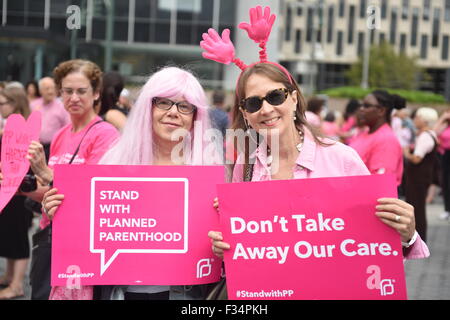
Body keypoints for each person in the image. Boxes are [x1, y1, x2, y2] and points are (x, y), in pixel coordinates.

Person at [207, 64, 428, 262]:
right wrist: (225, 244)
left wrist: (407, 235)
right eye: (254, 103)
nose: (266, 109)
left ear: (293, 99)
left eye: (275, 97)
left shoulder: (342, 158)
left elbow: (377, 244)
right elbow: (242, 242)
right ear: (245, 114)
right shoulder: (246, 165)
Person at [40, 66, 221, 300]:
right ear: (148, 107)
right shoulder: (115, 160)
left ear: (195, 116)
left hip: (183, 293)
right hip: (121, 292)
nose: (174, 112)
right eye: (164, 102)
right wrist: (58, 211)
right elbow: (89, 222)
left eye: (184, 106)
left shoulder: (210, 170)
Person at [25, 59, 120, 300]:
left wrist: (46, 172)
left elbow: (95, 192)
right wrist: (18, 187)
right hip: (51, 237)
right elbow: (51, 192)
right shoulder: (61, 135)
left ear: (96, 93)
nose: (74, 98)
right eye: (67, 91)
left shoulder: (105, 134)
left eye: (81, 91)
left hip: (83, 245)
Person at [0, 86, 34, 299]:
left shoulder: (22, 130)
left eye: (3, 103)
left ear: (14, 103)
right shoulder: (11, 128)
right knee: (10, 234)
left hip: (19, 189)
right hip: (10, 187)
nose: (0, 107)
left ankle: (17, 284)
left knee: (19, 236)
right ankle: (10, 276)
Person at [349, 91, 405, 187]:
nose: (361, 109)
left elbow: (381, 184)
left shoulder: (386, 140)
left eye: (366, 106)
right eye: (361, 105)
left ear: (381, 111)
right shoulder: (364, 133)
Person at [403, 107, 439, 242]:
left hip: (418, 177)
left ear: (424, 120)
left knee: (416, 208)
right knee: (417, 207)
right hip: (422, 176)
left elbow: (417, 158)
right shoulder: (430, 134)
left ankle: (418, 238)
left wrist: (406, 152)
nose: (415, 120)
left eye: (417, 117)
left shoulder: (425, 136)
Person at [30, 77, 70, 161]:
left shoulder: (62, 106)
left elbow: (68, 128)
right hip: (35, 146)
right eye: (47, 88)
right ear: (40, 91)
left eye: (53, 88)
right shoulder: (33, 105)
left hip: (54, 147)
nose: (50, 91)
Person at [434, 109, 450, 220]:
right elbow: (433, 133)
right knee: (445, 182)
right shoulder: (445, 125)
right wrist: (442, 118)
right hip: (445, 155)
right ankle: (447, 209)